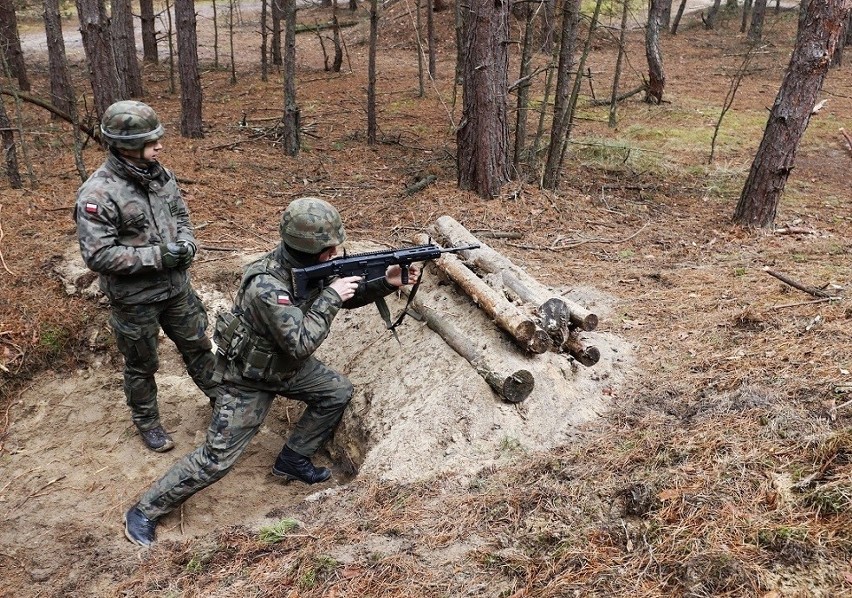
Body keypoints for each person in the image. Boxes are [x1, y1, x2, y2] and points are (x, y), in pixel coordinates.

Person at [122, 197, 420, 546]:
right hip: (247, 379)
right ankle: (144, 512)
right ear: (315, 250)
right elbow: (301, 341)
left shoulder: (304, 266)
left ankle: (293, 459)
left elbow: (342, 292)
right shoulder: (266, 285)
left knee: (336, 392)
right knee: (216, 459)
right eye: (331, 247)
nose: (337, 251)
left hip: (285, 367)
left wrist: (386, 281)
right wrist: (332, 298)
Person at [75, 100, 219, 453]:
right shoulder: (98, 193)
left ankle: (223, 400)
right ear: (125, 145)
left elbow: (181, 216)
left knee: (199, 346)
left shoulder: (160, 175)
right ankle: (148, 422)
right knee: (142, 363)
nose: (159, 146)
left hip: (177, 289)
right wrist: (160, 255)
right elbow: (98, 255)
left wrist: (186, 243)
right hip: (135, 299)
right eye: (151, 141)